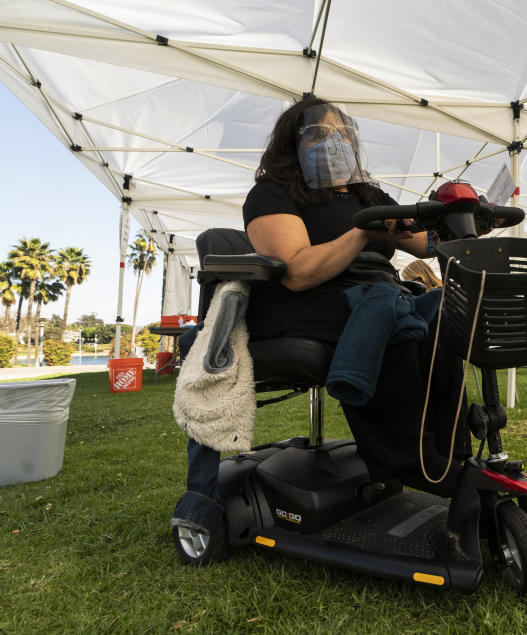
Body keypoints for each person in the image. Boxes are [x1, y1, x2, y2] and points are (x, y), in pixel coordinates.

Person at [173, 98, 470, 532]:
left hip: (376, 292)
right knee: (390, 316)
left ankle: (448, 450)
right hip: (304, 302)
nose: (333, 142)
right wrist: (362, 231)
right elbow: (296, 272)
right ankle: (405, 457)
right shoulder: (273, 193)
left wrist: (464, 218)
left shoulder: (367, 194)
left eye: (343, 133)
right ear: (291, 143)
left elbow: (423, 241)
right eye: (317, 133)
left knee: (444, 314)